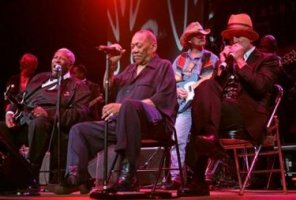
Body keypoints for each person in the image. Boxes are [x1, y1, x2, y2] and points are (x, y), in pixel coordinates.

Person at [52, 30, 177, 195]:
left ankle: (128, 173)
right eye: (132, 46)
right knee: (79, 130)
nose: (135, 50)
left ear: (153, 46)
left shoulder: (163, 66)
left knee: (129, 106)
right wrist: (111, 66)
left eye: (139, 45)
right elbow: (108, 89)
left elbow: (163, 99)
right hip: (120, 126)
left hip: (152, 124)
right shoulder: (130, 70)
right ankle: (77, 178)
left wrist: (124, 106)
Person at [184, 13, 281, 196]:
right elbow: (211, 92)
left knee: (202, 118)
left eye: (238, 35)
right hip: (221, 113)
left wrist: (240, 61)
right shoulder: (226, 61)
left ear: (251, 37)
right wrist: (221, 68)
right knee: (205, 86)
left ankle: (198, 177)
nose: (234, 40)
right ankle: (210, 139)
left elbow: (261, 87)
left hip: (247, 116)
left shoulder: (269, 60)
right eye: (231, 37)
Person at [0, 48, 91, 195]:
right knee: (1, 129)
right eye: (55, 57)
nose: (56, 60)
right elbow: (20, 98)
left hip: (49, 127)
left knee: (39, 122)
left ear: (70, 64)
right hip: (24, 121)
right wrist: (10, 112)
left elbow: (79, 114)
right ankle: (11, 174)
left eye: (61, 59)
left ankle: (31, 175)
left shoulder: (78, 86)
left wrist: (48, 114)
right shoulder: (39, 78)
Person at [167, 21, 219, 189]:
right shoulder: (180, 59)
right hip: (184, 106)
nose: (202, 36)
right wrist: (176, 90)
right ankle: (177, 177)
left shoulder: (211, 58)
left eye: (203, 34)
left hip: (203, 106)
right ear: (189, 40)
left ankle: (204, 177)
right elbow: (172, 82)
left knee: (205, 140)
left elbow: (210, 81)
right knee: (177, 140)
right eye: (198, 34)